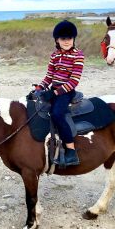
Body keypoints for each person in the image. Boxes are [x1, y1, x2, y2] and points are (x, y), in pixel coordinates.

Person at [36, 20, 84, 166]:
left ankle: (71, 150)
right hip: (54, 89)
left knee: (57, 114)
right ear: (57, 40)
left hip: (67, 91)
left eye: (69, 38)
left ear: (73, 39)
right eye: (63, 38)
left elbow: (74, 81)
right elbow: (49, 76)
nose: (67, 41)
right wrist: (39, 88)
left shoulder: (78, 55)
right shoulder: (54, 55)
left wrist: (55, 93)